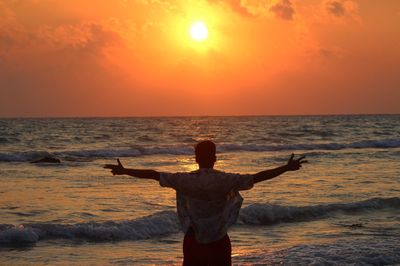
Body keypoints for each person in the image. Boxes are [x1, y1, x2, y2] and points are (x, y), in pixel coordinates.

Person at [104, 140, 307, 265]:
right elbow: (258, 177)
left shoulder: (185, 180)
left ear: (195, 158)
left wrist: (125, 171)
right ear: (215, 158)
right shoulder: (226, 180)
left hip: (194, 239)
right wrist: (285, 168)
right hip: (219, 238)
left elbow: (153, 175)